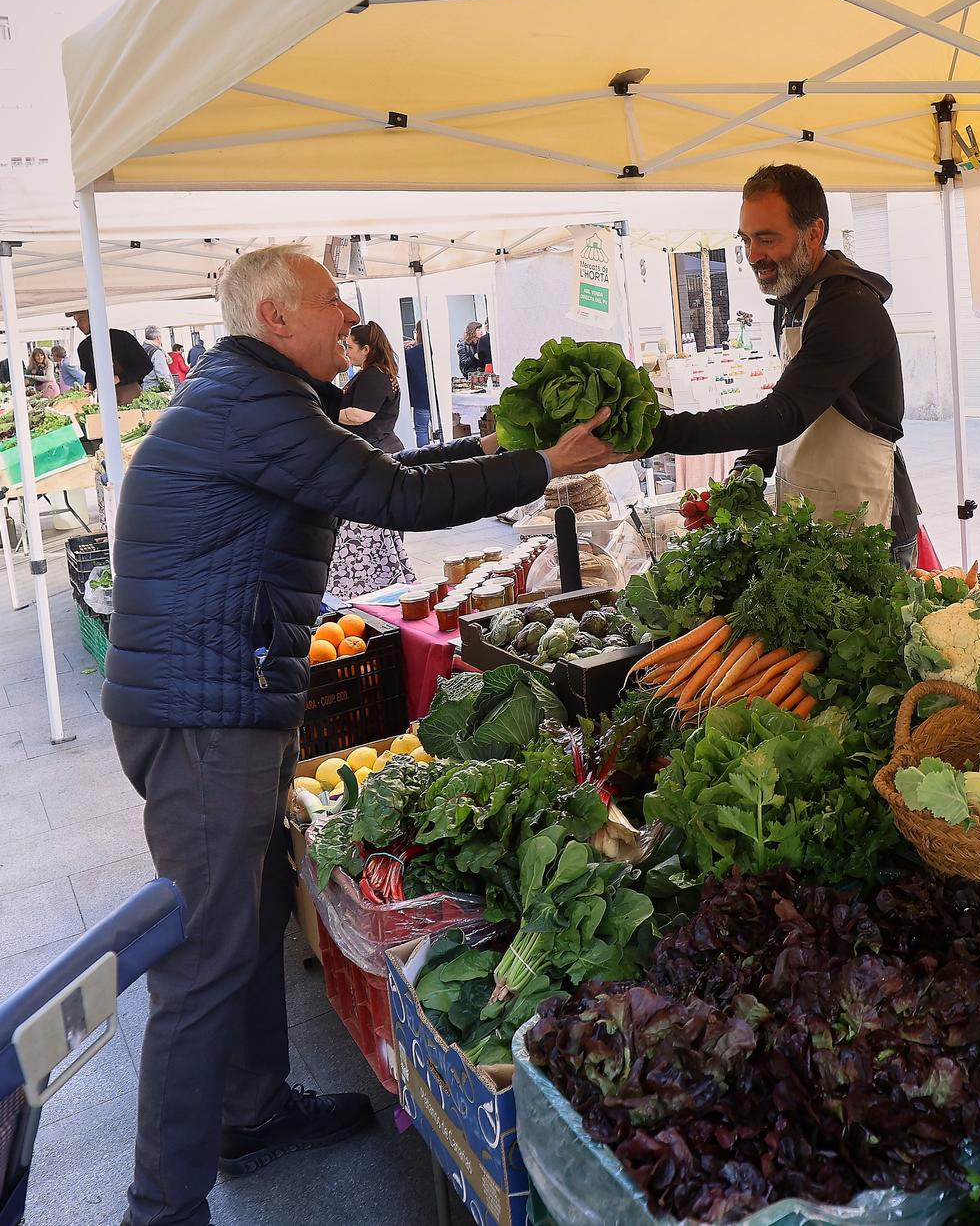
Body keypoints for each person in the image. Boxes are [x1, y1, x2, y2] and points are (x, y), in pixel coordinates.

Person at [101, 245, 633, 1226]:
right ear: (273, 317)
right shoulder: (251, 404)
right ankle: (158, 1207)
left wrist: (495, 455)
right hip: (202, 709)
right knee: (204, 959)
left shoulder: (257, 397)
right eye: (329, 301)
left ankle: (253, 1109)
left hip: (222, 691)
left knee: (251, 919)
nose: (347, 315)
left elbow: (382, 471)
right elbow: (394, 502)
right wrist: (544, 467)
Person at [648, 162, 920, 562]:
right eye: (746, 240)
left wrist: (659, 432)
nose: (754, 255)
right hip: (811, 507)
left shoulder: (847, 307)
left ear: (814, 233)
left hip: (867, 518)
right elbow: (798, 398)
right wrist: (751, 468)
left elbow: (784, 414)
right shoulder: (793, 302)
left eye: (767, 239)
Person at [327, 321, 416, 596]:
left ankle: (387, 583)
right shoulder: (373, 373)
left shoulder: (374, 375)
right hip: (375, 453)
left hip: (377, 453)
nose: (347, 351)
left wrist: (321, 412)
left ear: (366, 349)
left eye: (350, 346)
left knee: (381, 529)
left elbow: (360, 415)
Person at [69, 309, 156, 406]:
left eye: (81, 320)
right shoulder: (83, 347)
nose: (78, 325)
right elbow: (89, 373)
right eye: (76, 321)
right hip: (104, 400)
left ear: (94, 318)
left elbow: (146, 366)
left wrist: (119, 378)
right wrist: (90, 384)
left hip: (131, 399)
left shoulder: (122, 338)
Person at [402, 322, 433, 447]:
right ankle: (445, 454)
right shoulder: (438, 351)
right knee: (442, 429)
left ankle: (424, 457)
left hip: (420, 396)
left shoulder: (410, 354)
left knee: (421, 430)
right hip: (437, 396)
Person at [141, 326, 167, 390]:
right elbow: (163, 376)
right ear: (158, 338)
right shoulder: (156, 352)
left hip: (144, 388)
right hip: (156, 389)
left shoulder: (140, 350)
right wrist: (169, 390)